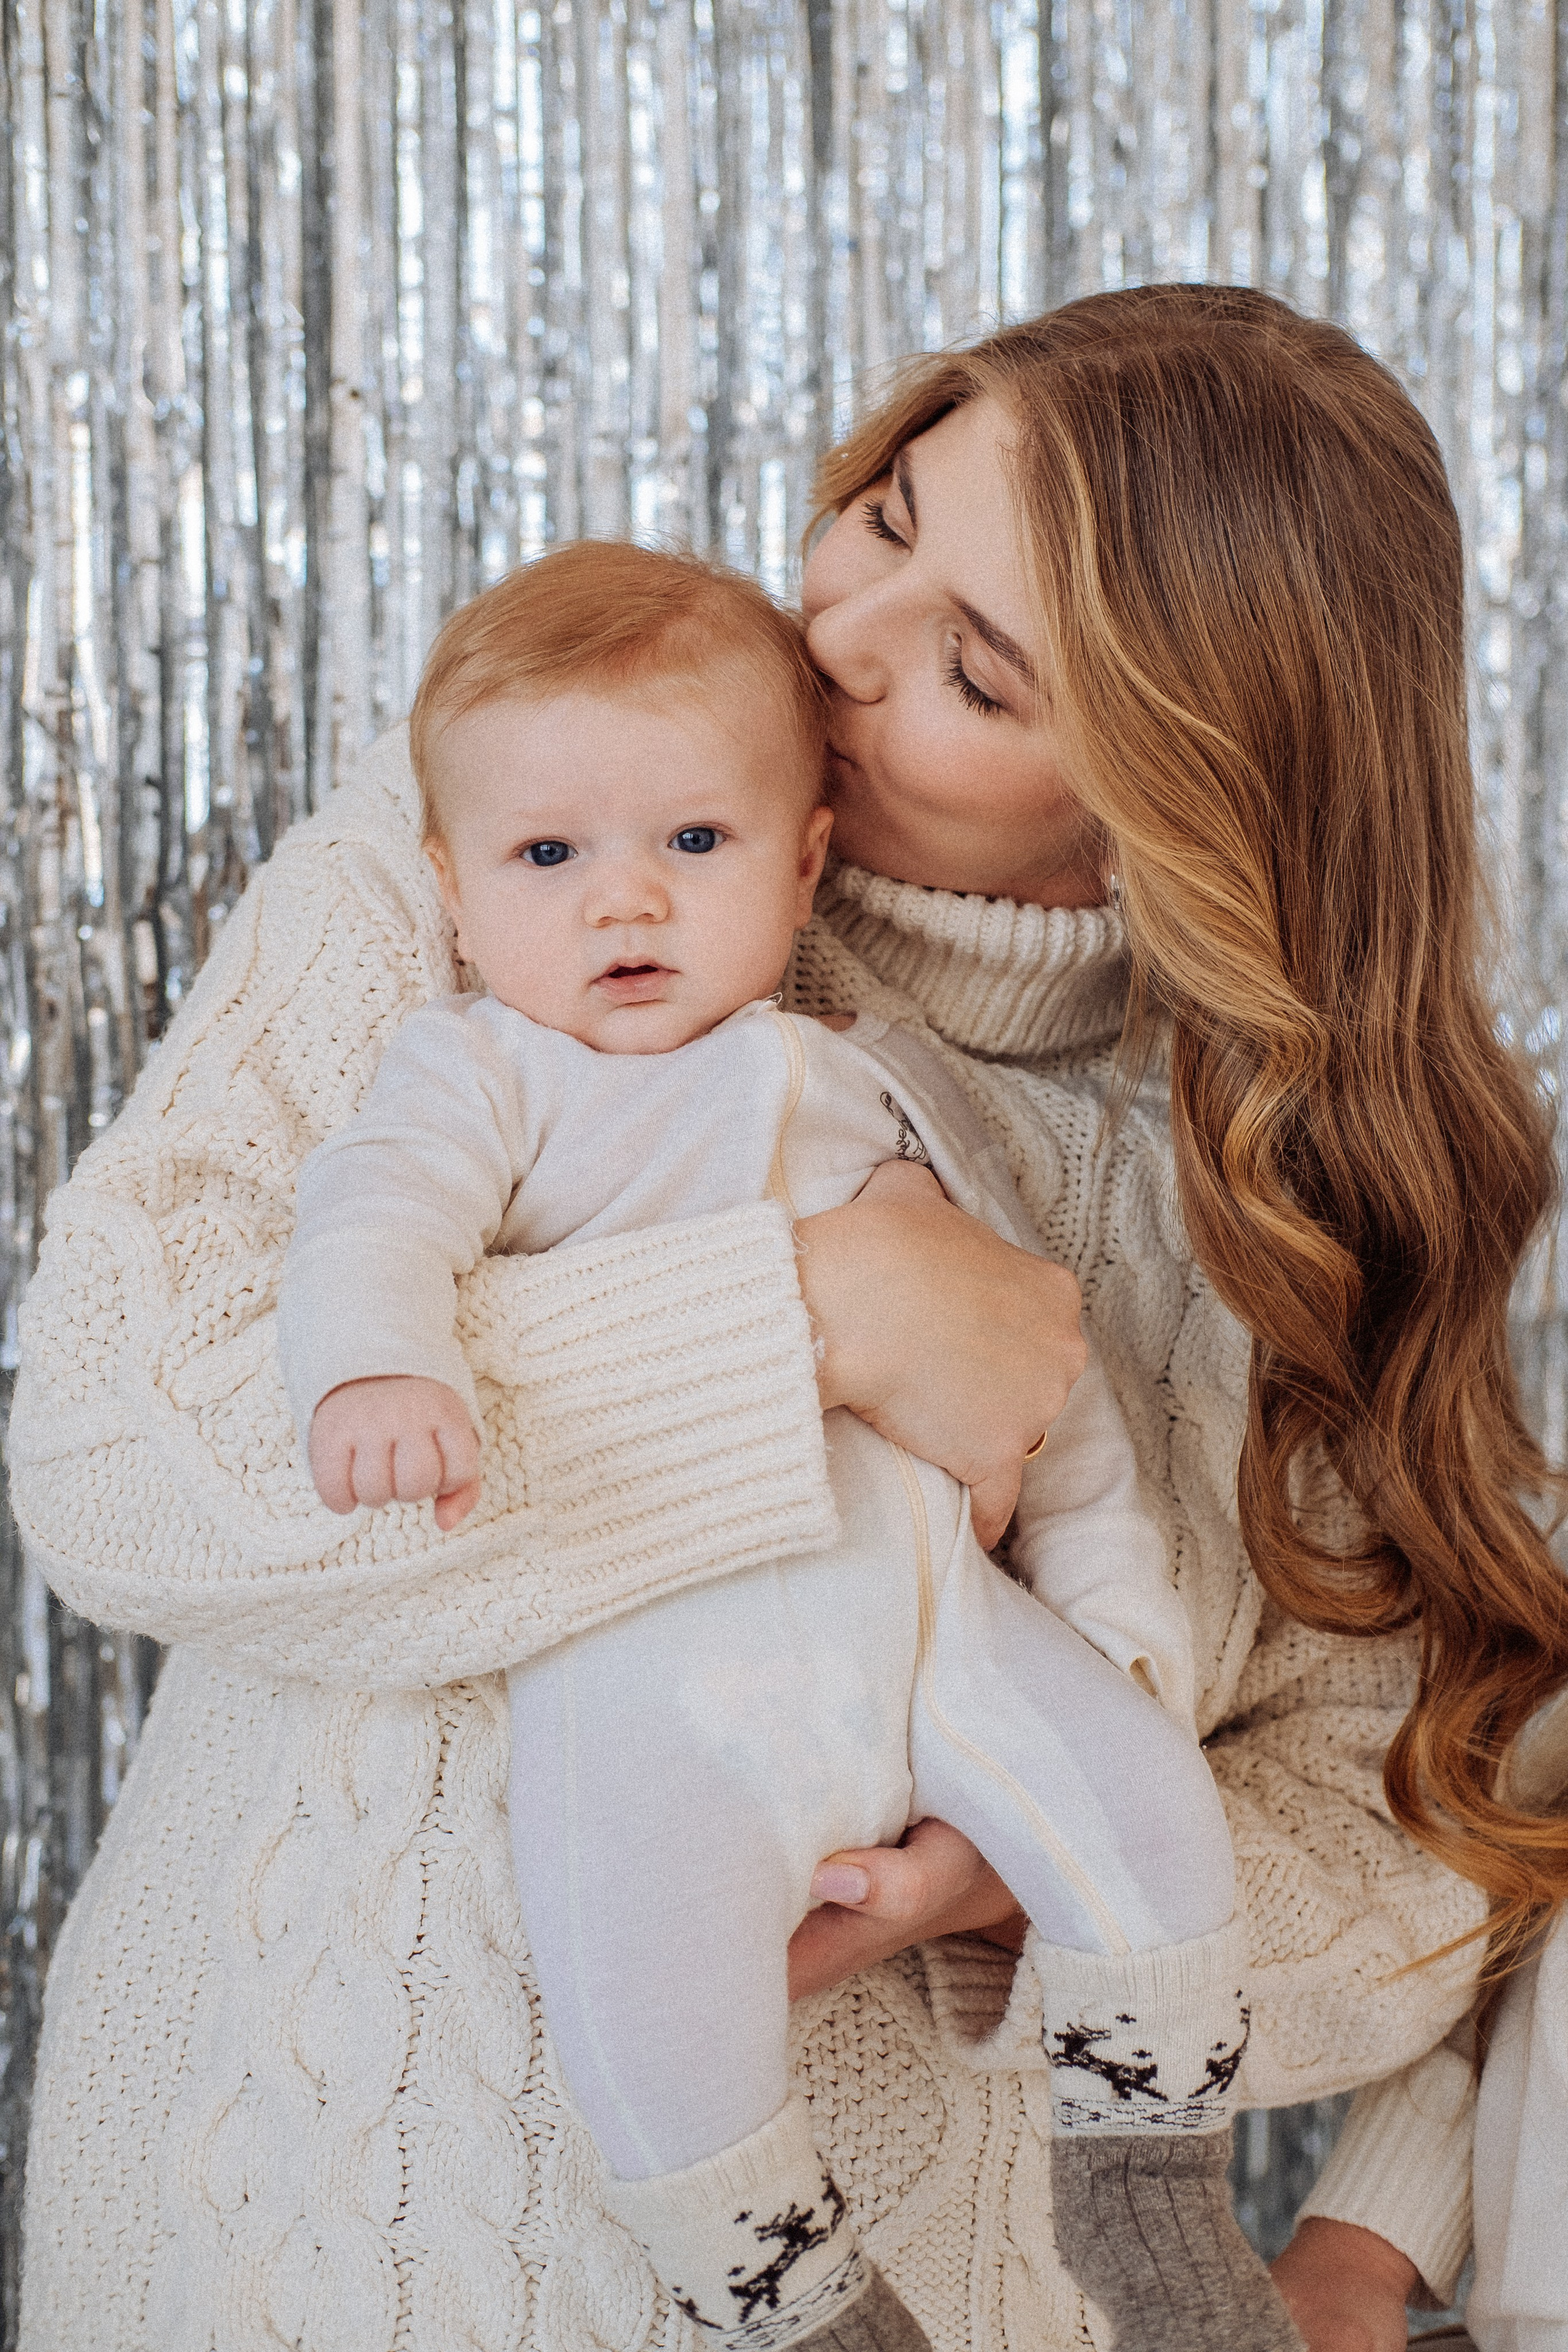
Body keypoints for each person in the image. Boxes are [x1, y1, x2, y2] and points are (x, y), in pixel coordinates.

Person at [11, 284, 1566, 2352]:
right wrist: (806, 1321)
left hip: (944, 2292)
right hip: (296, 2247)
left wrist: (1019, 1894)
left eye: (973, 672)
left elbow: (1416, 1833)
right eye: (891, 515)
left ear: (1157, 803)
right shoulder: (485, 864)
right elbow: (109, 1455)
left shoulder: (1252, 1190)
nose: (837, 630)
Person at [278, 535, 1276, 2352]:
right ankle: (805, 2312)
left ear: (803, 857)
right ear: (453, 886)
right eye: (549, 858)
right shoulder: (486, 1069)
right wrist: (374, 1373)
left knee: (1151, 1820)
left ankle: (1156, 2217)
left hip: (931, 1640)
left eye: (696, 845)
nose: (624, 908)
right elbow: (369, 1214)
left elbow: (1052, 1410)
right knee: (646, 2021)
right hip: (658, 1700)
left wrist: (1120, 1655)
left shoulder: (885, 1081)